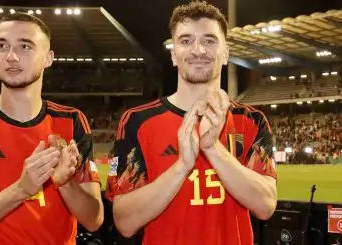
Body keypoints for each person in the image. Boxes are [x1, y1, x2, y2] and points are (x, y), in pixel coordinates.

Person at [105, 1, 277, 244]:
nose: (198, 50)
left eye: (209, 40)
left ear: (225, 53)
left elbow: (266, 205)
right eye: (186, 41)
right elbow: (124, 222)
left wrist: (213, 149)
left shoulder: (251, 120)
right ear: (174, 55)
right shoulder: (136, 121)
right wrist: (182, 166)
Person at [0, 13, 103, 245]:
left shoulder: (72, 120)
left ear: (48, 58)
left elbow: (94, 219)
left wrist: (65, 182)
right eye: (1, 46)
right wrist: (21, 189)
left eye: (25, 46)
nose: (11, 56)